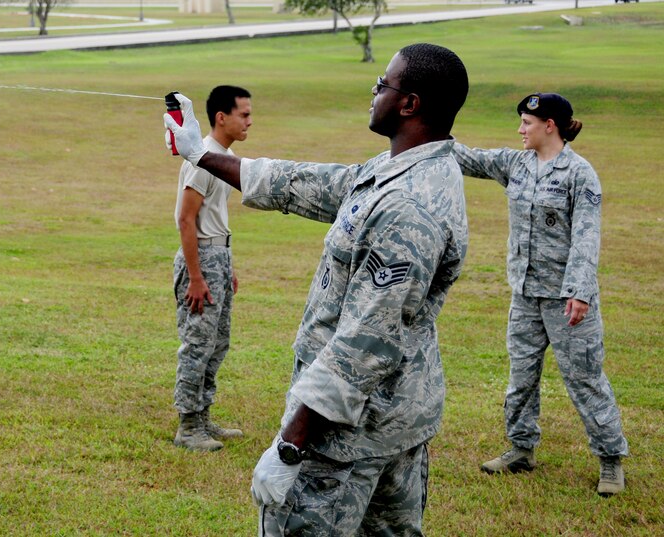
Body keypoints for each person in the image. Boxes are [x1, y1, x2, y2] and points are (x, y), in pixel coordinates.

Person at [165, 43, 470, 535]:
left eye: (384, 84)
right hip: (393, 422)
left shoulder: (407, 209)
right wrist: (201, 153)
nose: (374, 92)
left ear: (410, 104)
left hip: (346, 436)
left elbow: (363, 344)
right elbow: (304, 182)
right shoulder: (406, 169)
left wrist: (290, 446)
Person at [452, 93, 628, 496]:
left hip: (567, 301)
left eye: (526, 123)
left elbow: (587, 236)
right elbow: (469, 158)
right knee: (521, 379)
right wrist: (428, 128)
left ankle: (610, 460)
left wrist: (580, 292)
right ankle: (521, 449)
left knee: (585, 380)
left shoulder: (579, 174)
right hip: (525, 296)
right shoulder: (517, 164)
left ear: (550, 125)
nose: (520, 130)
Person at [171, 85, 252, 451]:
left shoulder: (221, 156)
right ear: (222, 117)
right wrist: (197, 276)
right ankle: (188, 427)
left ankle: (203, 418)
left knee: (217, 343)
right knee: (197, 344)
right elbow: (186, 220)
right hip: (200, 259)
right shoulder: (202, 160)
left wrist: (226, 266)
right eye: (244, 114)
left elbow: (214, 216)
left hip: (217, 258)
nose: (250, 120)